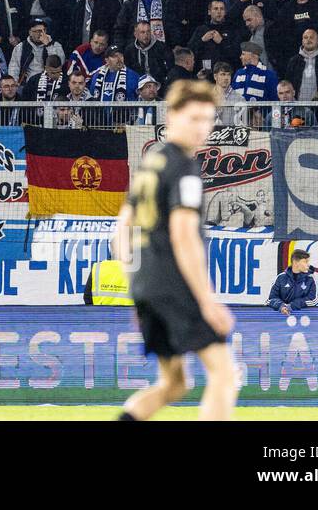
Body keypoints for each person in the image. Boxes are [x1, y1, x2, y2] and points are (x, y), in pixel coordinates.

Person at [113, 79, 237, 421]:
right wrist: (208, 300)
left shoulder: (150, 163)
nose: (202, 128)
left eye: (208, 120)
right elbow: (184, 237)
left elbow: (121, 228)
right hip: (173, 284)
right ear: (171, 115)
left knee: (174, 384)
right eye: (194, 118)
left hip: (149, 287)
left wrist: (137, 287)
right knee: (224, 375)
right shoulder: (184, 167)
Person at [268, 248, 317, 316]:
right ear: (295, 262)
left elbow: (313, 300)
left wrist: (292, 306)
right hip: (283, 318)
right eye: (305, 261)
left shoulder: (311, 278)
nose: (308, 264)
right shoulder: (280, 278)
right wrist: (281, 306)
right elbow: (271, 298)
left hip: (305, 317)